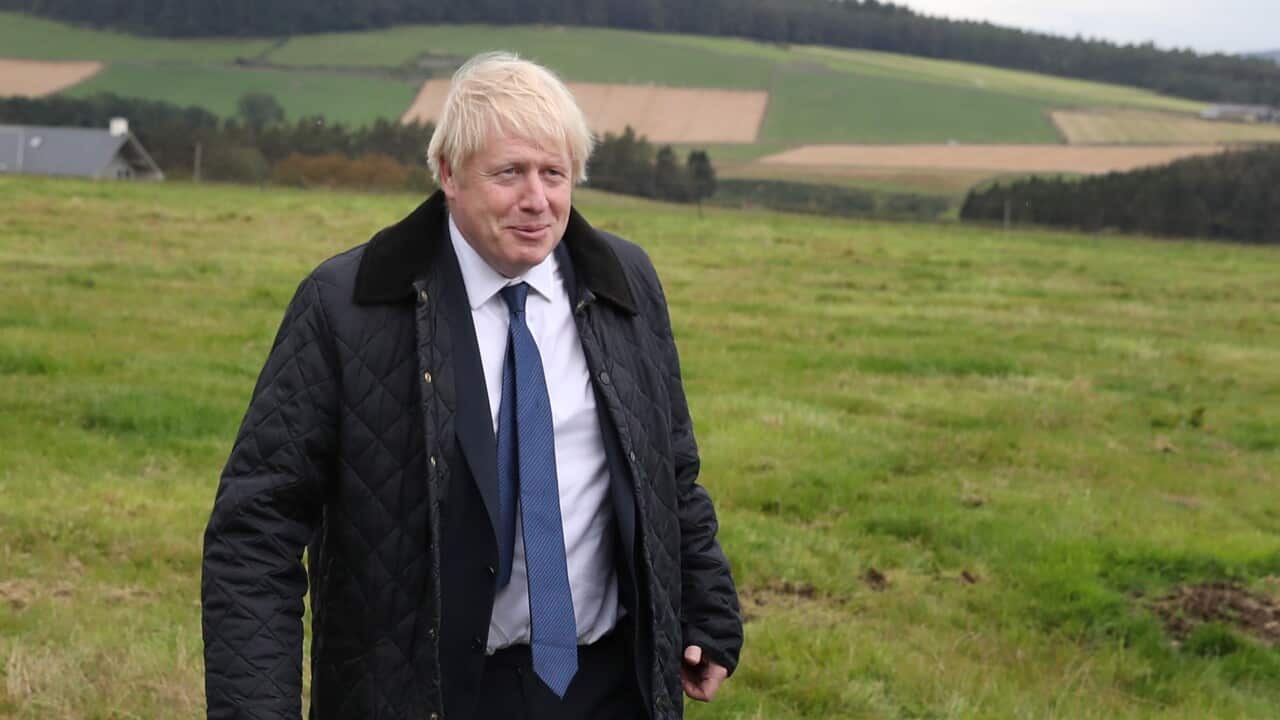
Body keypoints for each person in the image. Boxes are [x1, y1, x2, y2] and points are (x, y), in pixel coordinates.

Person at [201, 52, 742, 720]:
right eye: (509, 173)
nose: (536, 200)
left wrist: (704, 602)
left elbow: (670, 465)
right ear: (449, 173)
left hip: (609, 683)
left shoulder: (622, 282)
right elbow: (256, 528)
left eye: (554, 173)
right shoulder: (350, 306)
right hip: (428, 695)